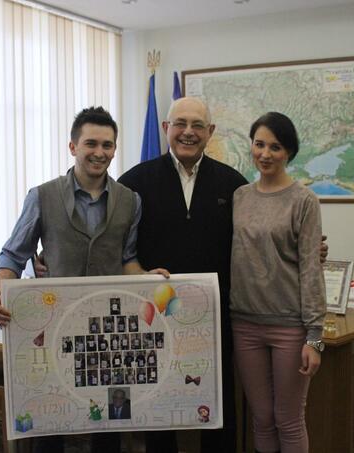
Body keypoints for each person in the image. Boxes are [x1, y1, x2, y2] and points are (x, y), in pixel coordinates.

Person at [118, 98, 328, 453]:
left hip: (220, 322)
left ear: (210, 132)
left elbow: (266, 237)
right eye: (180, 123)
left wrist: (311, 251)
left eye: (198, 125)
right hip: (157, 318)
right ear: (166, 128)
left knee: (222, 407)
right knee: (160, 404)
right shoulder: (135, 181)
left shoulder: (233, 185)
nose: (188, 132)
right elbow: (113, 235)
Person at [0, 106, 168, 453]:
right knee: (50, 421)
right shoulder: (42, 196)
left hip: (109, 332)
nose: (100, 152)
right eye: (91, 144)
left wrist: (148, 279)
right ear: (73, 147)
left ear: (114, 149)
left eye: (107, 145)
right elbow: (13, 254)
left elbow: (127, 260)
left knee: (111, 422)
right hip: (55, 326)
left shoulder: (131, 201)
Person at [230, 112, 326, 453]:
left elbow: (311, 268)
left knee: (288, 418)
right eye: (259, 144)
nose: (265, 154)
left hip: (289, 327)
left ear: (289, 152)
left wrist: (315, 338)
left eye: (275, 147)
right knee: (262, 416)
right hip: (244, 324)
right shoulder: (239, 196)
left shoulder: (304, 200)